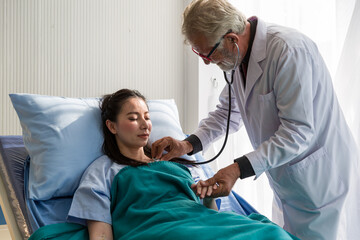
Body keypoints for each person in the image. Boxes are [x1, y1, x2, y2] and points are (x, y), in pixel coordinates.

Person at [151, 0, 360, 239]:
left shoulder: (288, 51)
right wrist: (187, 145)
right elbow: (226, 113)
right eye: (198, 53)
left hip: (323, 181)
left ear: (231, 38)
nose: (206, 62)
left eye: (208, 53)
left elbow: (298, 132)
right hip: (289, 182)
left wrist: (237, 169)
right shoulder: (235, 57)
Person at [29, 89, 299, 240]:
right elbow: (100, 233)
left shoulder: (177, 165)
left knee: (274, 235)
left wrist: (209, 196)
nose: (145, 124)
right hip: (155, 230)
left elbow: (208, 213)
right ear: (112, 126)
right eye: (133, 118)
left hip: (202, 223)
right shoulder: (103, 170)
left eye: (147, 116)